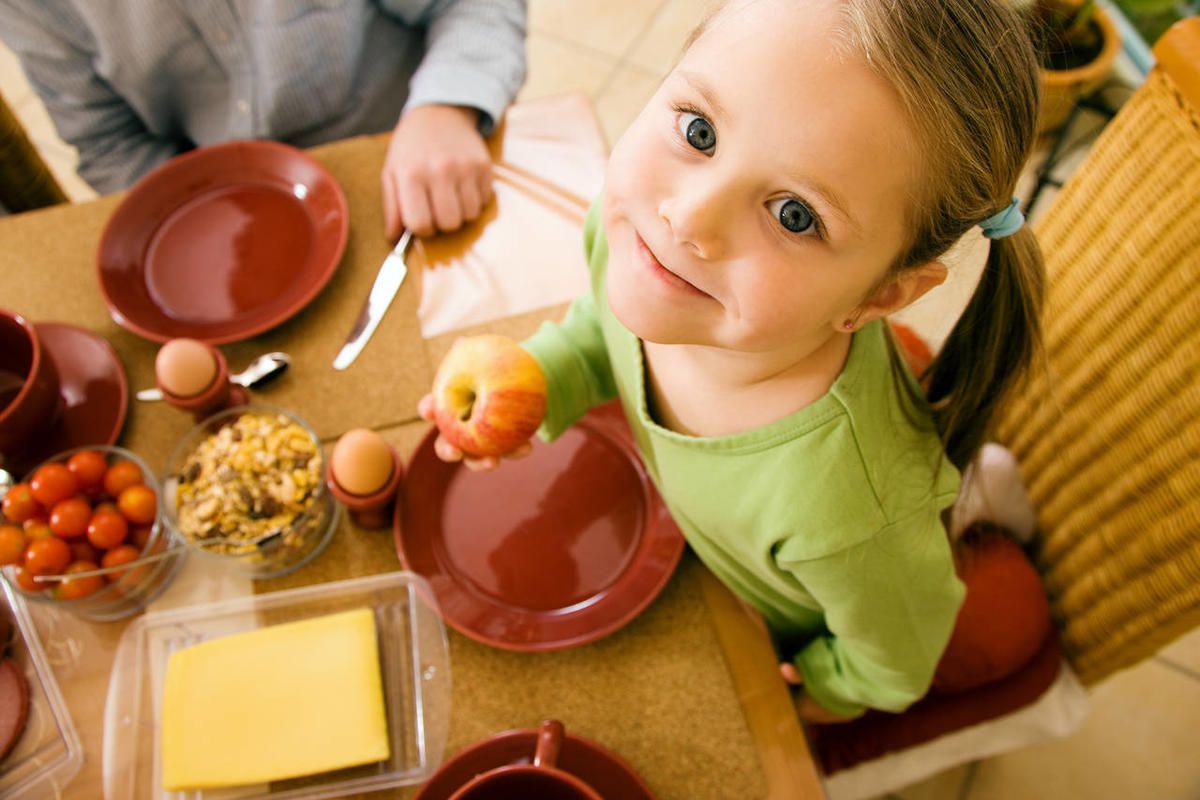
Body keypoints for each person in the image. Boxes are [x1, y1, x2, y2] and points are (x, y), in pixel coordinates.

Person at [420, 0, 1045, 722]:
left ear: (880, 296)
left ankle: (980, 494)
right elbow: (601, 329)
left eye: (794, 215)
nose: (687, 217)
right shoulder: (639, 247)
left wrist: (822, 689)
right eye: (699, 130)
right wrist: (548, 378)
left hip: (802, 604)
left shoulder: (847, 509)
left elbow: (897, 662)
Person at [0, 0, 526, 237]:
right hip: (237, 232)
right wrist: (194, 222)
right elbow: (107, 142)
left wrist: (447, 108)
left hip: (421, 167)